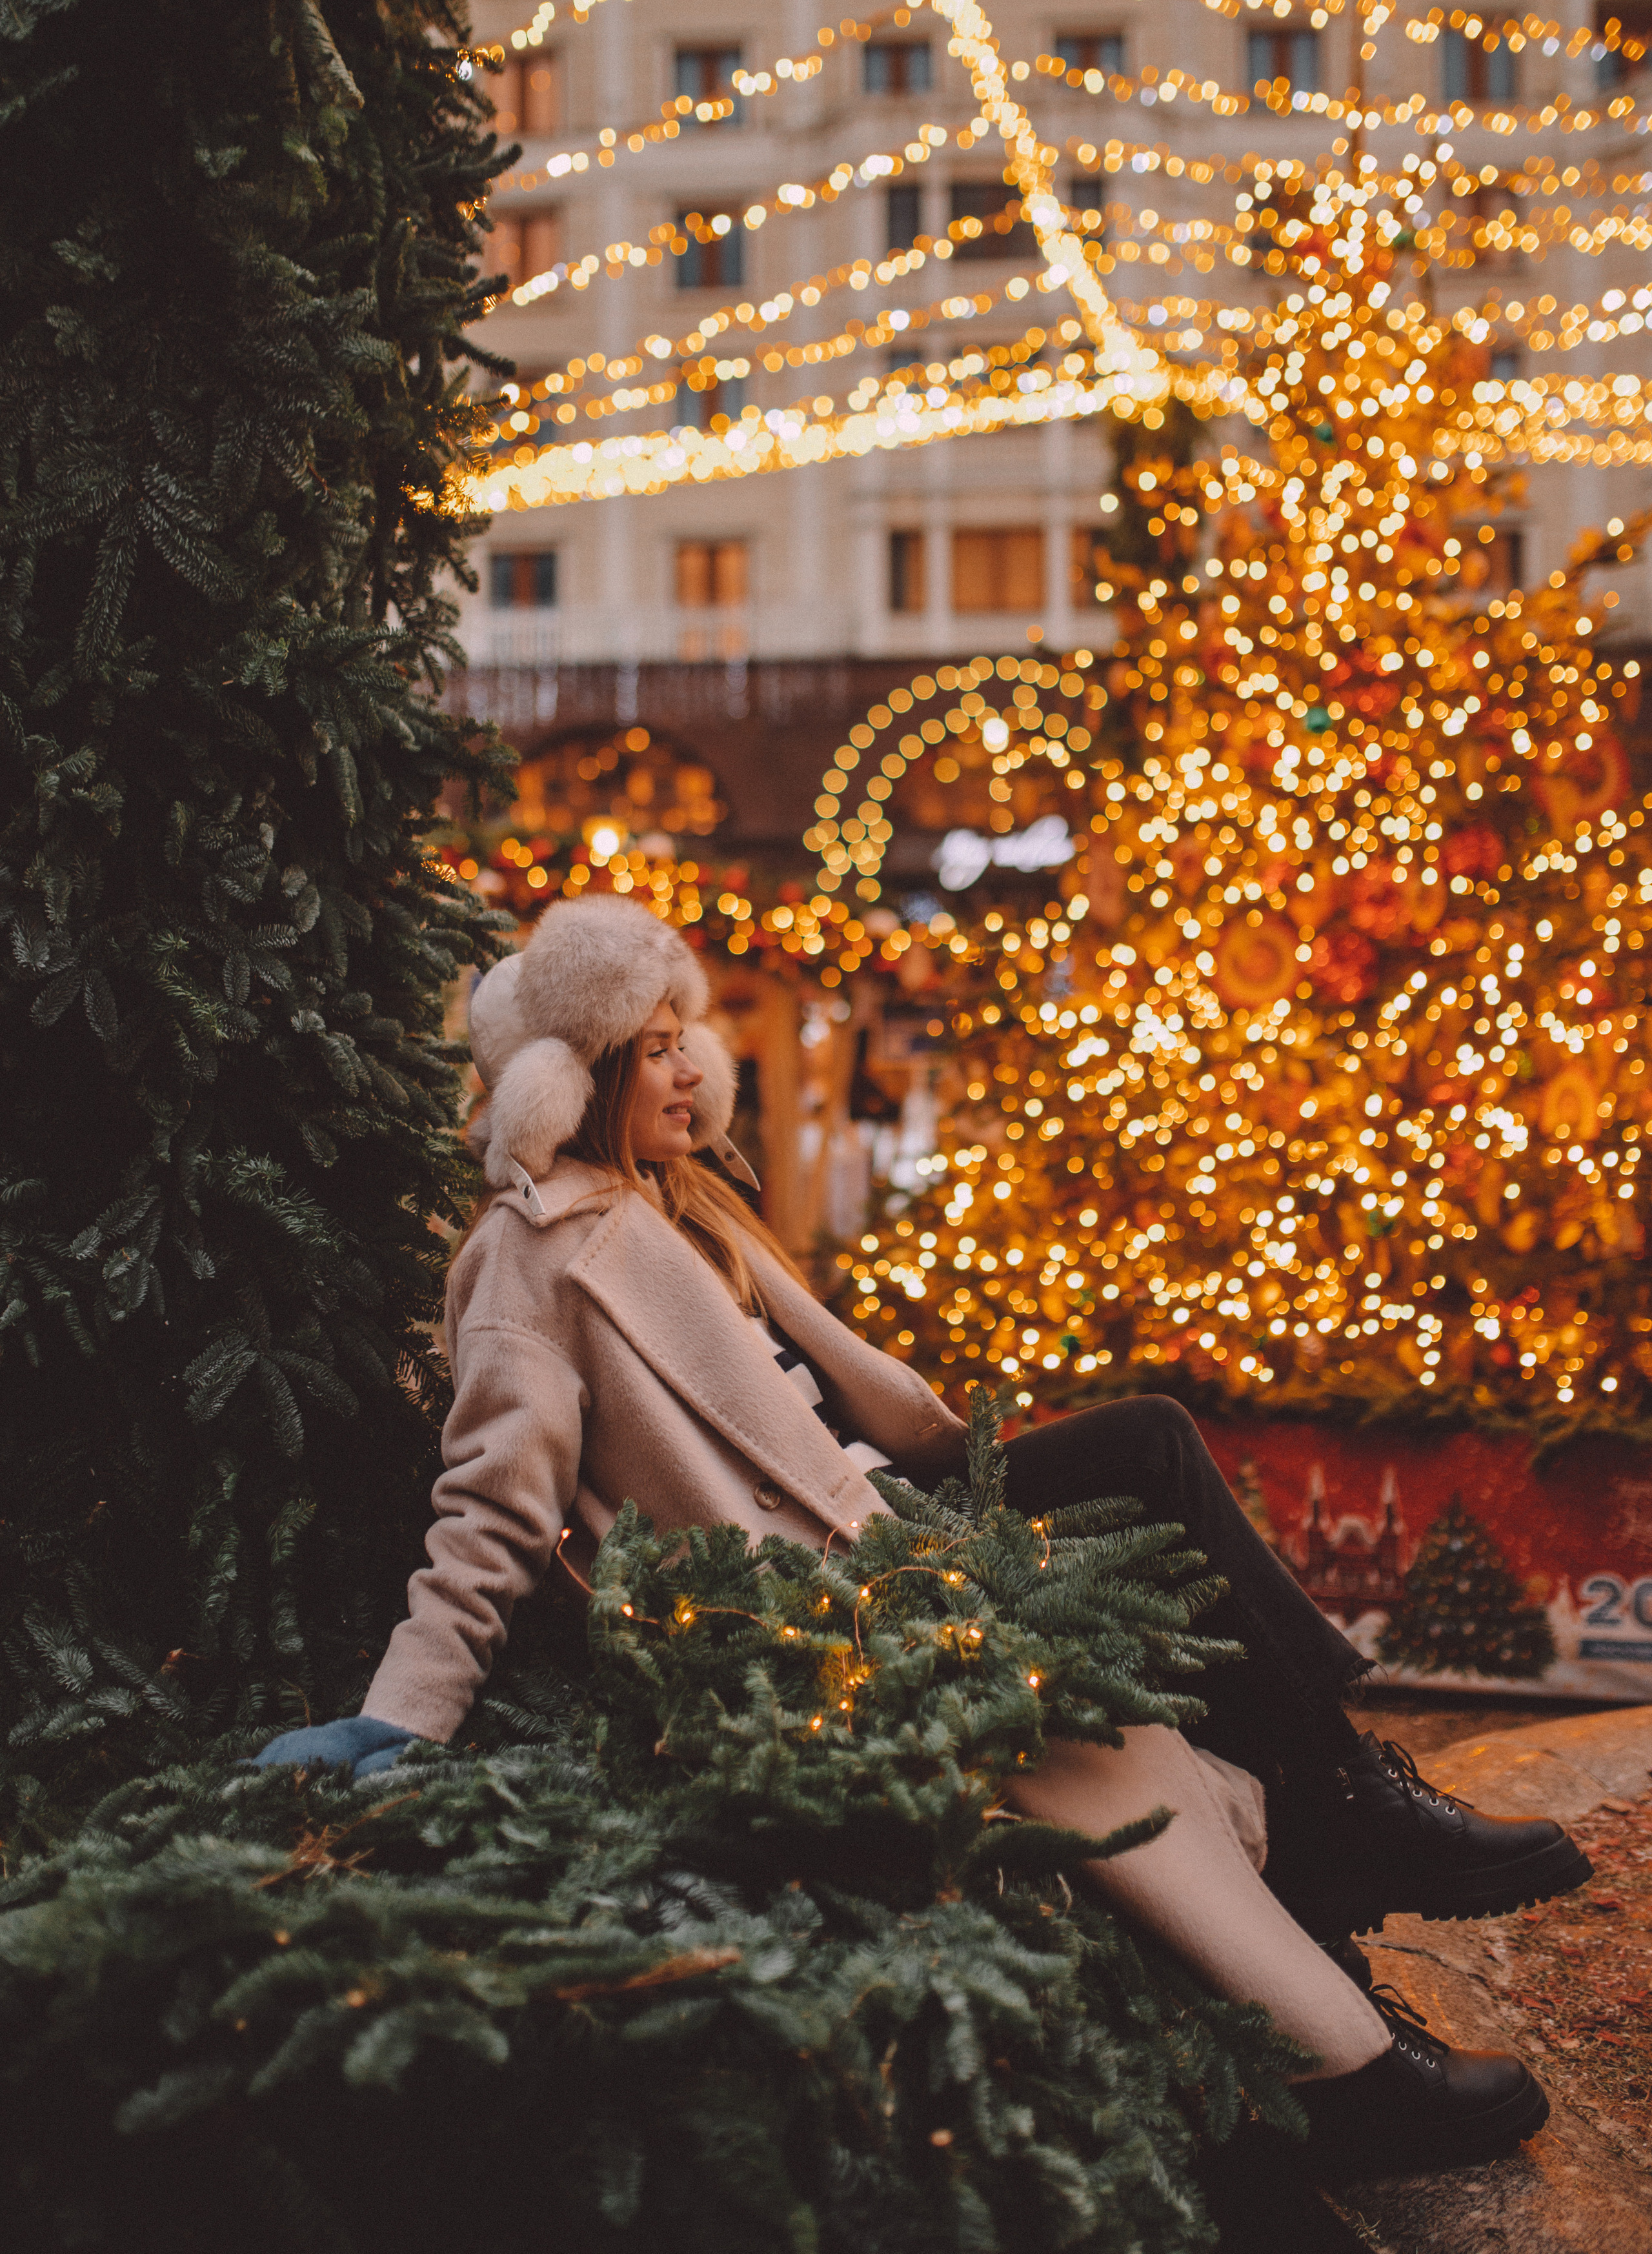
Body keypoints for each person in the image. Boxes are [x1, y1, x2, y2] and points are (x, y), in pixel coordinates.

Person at [257, 897, 1587, 2183]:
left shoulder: (687, 1203)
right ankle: (1338, 2052)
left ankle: (1332, 1827)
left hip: (892, 1513)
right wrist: (402, 1721)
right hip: (802, 1597)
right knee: (1085, 1725)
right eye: (653, 1049)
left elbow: (824, 1399)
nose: (688, 1072)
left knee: (1145, 1479)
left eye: (686, 1042)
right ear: (578, 1075)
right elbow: (491, 1508)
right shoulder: (529, 1258)